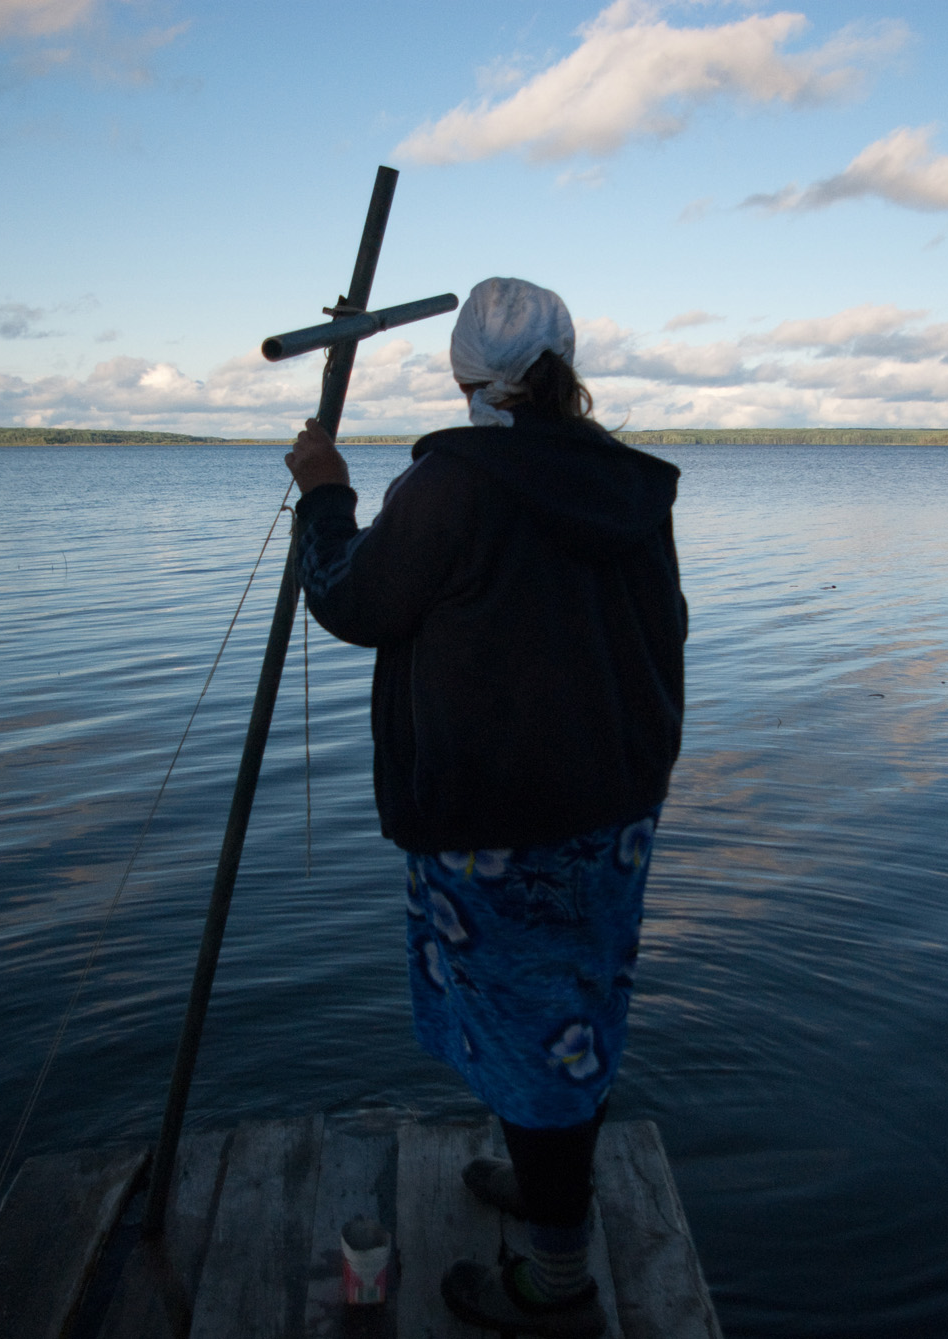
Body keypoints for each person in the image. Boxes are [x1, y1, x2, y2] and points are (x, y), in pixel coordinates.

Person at [285, 277, 687, 1337]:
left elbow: (352, 598)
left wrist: (325, 493)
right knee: (573, 1015)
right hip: (611, 806)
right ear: (566, 369)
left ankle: (556, 1283)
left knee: (526, 1030)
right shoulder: (627, 486)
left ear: (466, 379)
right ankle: (549, 1187)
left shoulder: (453, 484)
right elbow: (664, 633)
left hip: (500, 820)